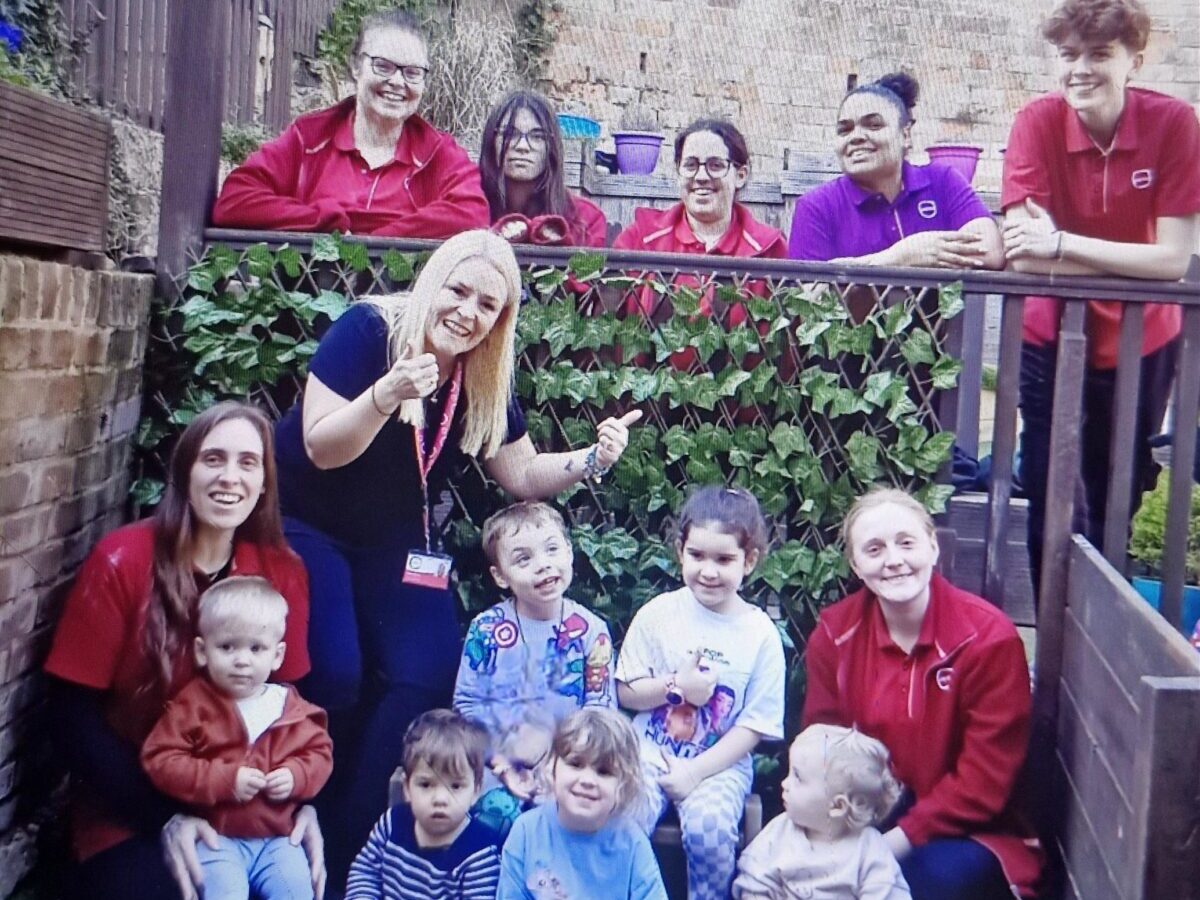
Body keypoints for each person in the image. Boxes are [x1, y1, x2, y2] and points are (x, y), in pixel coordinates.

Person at [273, 228, 641, 880]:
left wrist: (593, 458)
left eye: (488, 304)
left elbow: (521, 474)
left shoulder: (481, 370)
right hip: (309, 520)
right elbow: (320, 448)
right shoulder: (369, 332)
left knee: (427, 668)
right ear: (432, 283)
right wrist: (386, 394)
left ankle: (353, 842)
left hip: (394, 539)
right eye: (459, 291)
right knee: (337, 670)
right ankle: (301, 824)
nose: (468, 312)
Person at [43, 401, 322, 900]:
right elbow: (71, 717)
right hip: (130, 806)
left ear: (264, 484)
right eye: (213, 459)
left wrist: (300, 799)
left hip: (250, 816)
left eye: (248, 462)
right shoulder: (123, 560)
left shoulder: (282, 572)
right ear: (184, 472)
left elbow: (289, 706)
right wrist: (164, 817)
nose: (229, 477)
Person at [1000, 0, 1200, 594]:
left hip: (1144, 337)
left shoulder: (1174, 124)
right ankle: (1056, 629)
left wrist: (1061, 242)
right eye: (1068, 55)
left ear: (1134, 61)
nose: (1080, 69)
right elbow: (1023, 255)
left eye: (1099, 54)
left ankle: (1102, 625)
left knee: (1124, 488)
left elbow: (1173, 260)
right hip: (1051, 333)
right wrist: (1124, 260)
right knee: (1049, 486)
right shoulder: (1036, 122)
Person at [804, 487, 1044, 900]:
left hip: (971, 830)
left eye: (906, 543)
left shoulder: (989, 640)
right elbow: (821, 750)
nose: (893, 560)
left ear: (933, 547)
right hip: (866, 815)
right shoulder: (834, 635)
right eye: (874, 549)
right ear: (856, 565)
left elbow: (983, 782)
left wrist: (888, 845)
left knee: (904, 886)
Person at [616, 486, 786, 900]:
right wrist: (676, 687)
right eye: (697, 555)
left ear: (749, 560)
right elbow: (626, 692)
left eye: (724, 559)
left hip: (719, 764)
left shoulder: (760, 634)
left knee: (709, 830)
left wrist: (695, 773)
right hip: (648, 752)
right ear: (680, 551)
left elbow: (754, 726)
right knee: (621, 821)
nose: (708, 571)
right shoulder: (658, 614)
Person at [212, 10, 488, 238]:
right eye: (383, 66)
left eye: (412, 73)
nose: (397, 82)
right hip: (309, 285)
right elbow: (235, 201)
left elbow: (472, 214)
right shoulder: (309, 138)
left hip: (402, 287)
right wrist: (323, 221)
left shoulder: (438, 153)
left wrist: (373, 244)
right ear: (356, 67)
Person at [142, 577, 334, 900]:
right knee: (225, 893)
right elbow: (160, 758)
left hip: (279, 838)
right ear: (202, 651)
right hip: (217, 836)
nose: (242, 660)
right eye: (227, 647)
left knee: (298, 891)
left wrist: (296, 776)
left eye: (256, 648)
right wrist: (223, 779)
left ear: (277, 655)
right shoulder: (194, 704)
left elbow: (320, 753)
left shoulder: (289, 706)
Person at [453, 501, 616, 838]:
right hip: (496, 762)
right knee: (494, 815)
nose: (543, 565)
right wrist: (502, 763)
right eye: (523, 559)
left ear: (569, 552)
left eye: (552, 549)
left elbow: (600, 710)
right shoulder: (487, 630)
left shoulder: (591, 632)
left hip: (569, 765)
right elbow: (466, 705)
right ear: (500, 576)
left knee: (561, 821)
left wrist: (559, 765)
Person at [788, 73, 1002, 269]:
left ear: (905, 135)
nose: (856, 137)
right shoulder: (817, 206)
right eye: (845, 130)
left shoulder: (942, 182)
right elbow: (807, 293)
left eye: (874, 125)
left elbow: (989, 250)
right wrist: (899, 257)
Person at [613, 119, 787, 342]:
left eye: (716, 165)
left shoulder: (769, 249)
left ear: (740, 175)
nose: (701, 176)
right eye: (690, 165)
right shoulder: (640, 239)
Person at [498, 708, 668, 900]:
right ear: (552, 767)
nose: (587, 780)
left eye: (604, 772)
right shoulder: (526, 832)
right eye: (575, 764)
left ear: (625, 783)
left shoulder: (633, 843)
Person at [733, 724, 911, 900]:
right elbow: (754, 882)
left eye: (798, 777)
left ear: (837, 806)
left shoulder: (869, 851)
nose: (784, 784)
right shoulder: (779, 832)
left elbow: (887, 893)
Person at [345, 709, 503, 900]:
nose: (440, 799)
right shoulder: (392, 823)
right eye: (426, 785)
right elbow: (365, 872)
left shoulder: (479, 853)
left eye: (455, 786)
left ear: (475, 791)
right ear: (407, 787)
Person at [481, 91, 607, 247]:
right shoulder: (471, 208)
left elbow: (594, 262)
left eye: (537, 136)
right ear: (491, 140)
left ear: (551, 147)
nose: (522, 146)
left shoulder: (588, 219)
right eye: (510, 134)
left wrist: (561, 245)